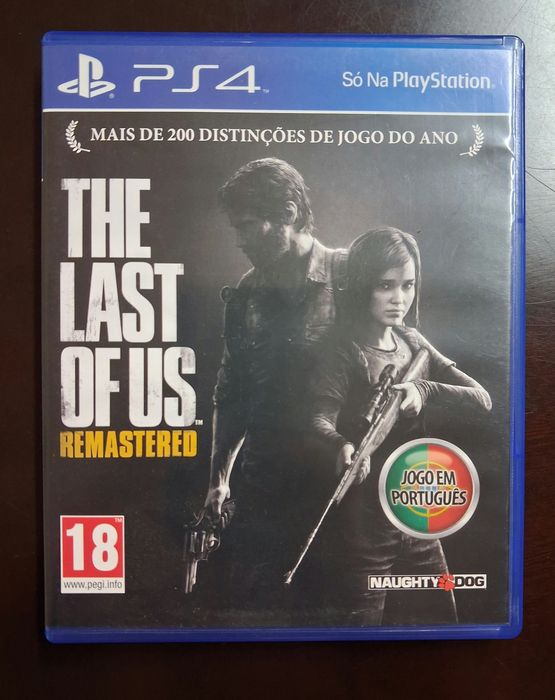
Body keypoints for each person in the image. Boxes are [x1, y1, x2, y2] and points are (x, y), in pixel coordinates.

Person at [308, 227, 492, 626]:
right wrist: (340, 444)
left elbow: (482, 398)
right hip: (362, 528)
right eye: (385, 285)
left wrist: (424, 389)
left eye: (407, 285)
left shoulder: (412, 340)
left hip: (415, 513)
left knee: (444, 625)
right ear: (362, 285)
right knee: (358, 636)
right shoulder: (343, 351)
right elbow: (319, 417)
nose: (399, 299)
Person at [203, 158, 344, 620]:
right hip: (264, 489)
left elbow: (400, 362)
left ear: (288, 213)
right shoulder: (244, 294)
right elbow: (232, 391)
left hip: (340, 490)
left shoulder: (351, 275)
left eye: (248, 226)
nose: (240, 241)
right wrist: (218, 481)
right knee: (259, 615)